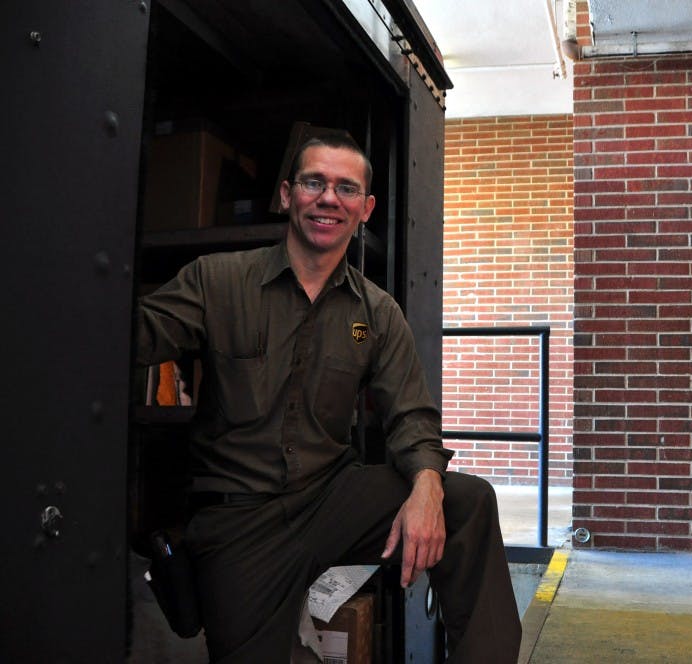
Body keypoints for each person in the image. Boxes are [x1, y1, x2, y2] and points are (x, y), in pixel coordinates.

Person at [135, 131, 521, 663]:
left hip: (331, 499)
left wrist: (427, 488)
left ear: (366, 208)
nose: (328, 198)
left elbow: (411, 415)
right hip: (238, 517)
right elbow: (134, 335)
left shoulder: (377, 312)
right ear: (287, 194)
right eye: (315, 182)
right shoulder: (217, 281)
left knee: (468, 503)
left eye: (346, 188)